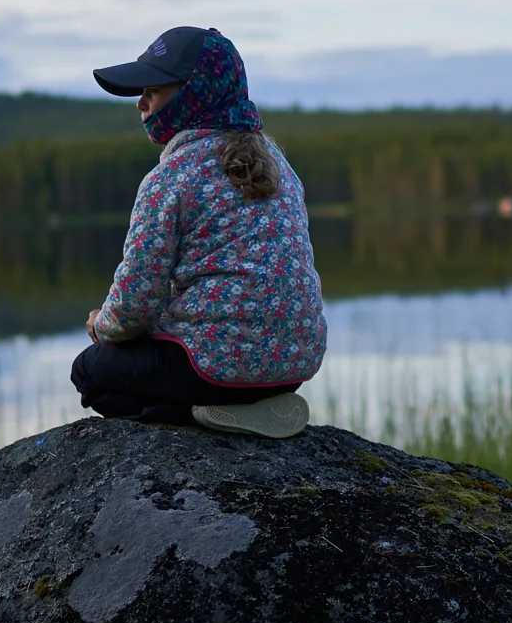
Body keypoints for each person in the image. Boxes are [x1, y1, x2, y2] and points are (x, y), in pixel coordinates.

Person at [69, 26, 326, 439]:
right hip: (292, 365)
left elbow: (135, 304)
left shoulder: (170, 178)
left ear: (193, 94)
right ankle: (251, 406)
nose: (141, 103)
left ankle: (194, 414)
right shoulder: (280, 165)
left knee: (89, 371)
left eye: (153, 90)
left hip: (211, 369)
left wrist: (102, 325)